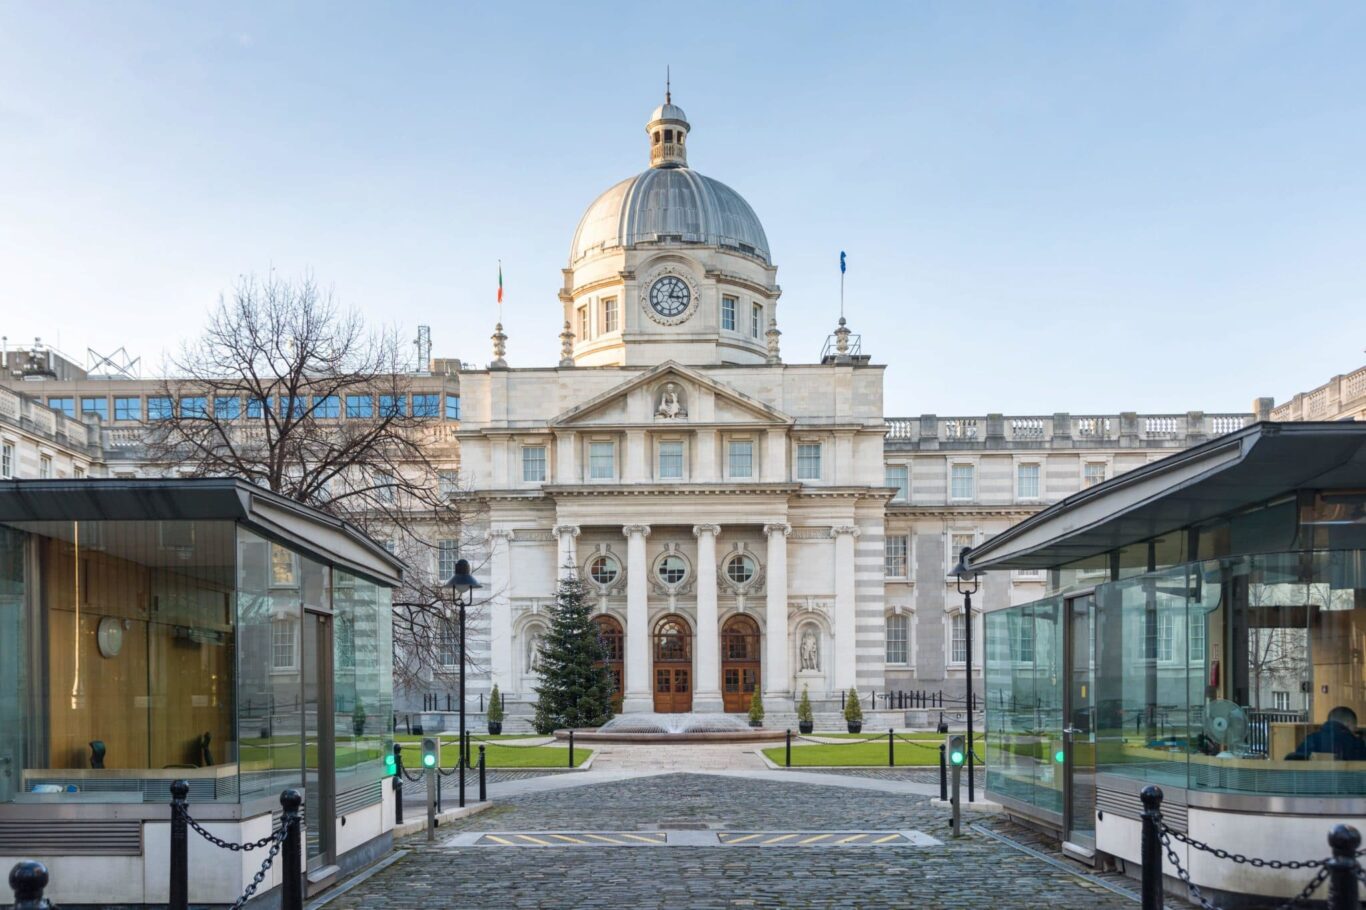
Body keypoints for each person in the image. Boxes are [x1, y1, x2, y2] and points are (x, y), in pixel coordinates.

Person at [1285, 706, 1366, 761]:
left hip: (1313, 785)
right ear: (1348, 723)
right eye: (1354, 727)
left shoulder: (1311, 740)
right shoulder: (1356, 744)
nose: (1354, 731)